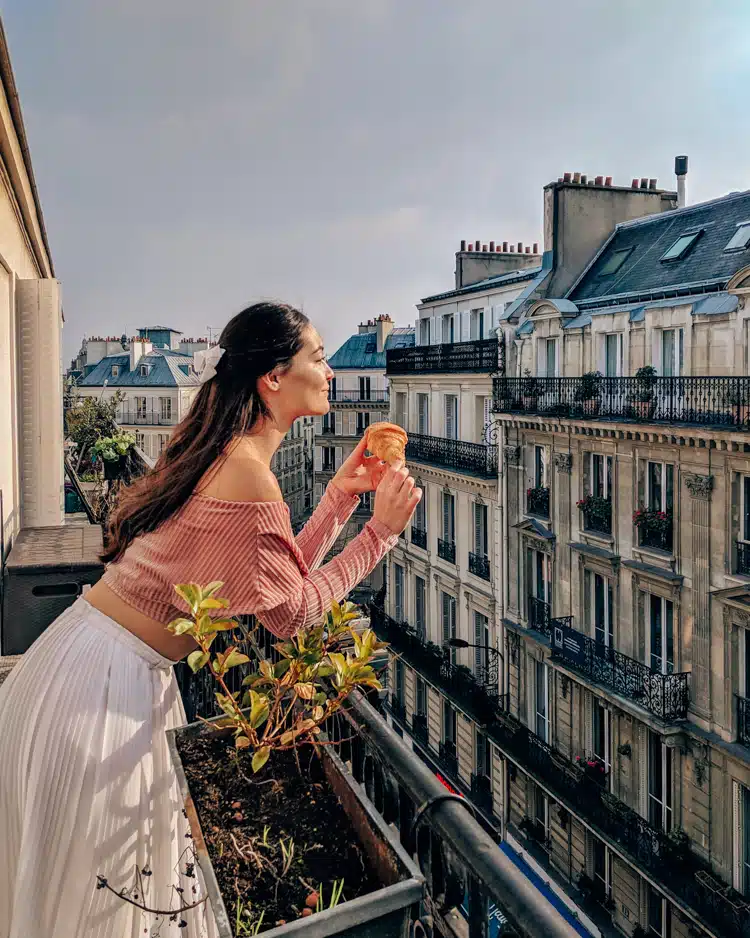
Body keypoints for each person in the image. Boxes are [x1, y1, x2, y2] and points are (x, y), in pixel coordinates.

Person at [0, 301, 421, 938]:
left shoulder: (228, 457)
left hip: (84, 665)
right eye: (317, 356)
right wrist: (380, 534)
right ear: (273, 377)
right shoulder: (248, 476)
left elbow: (271, 583)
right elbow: (295, 616)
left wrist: (338, 499)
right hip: (101, 694)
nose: (331, 370)